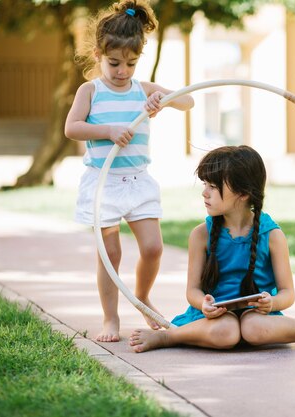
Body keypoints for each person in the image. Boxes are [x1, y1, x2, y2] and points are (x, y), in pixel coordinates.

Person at [129, 146, 295, 352]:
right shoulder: (201, 234)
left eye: (213, 186)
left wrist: (271, 303)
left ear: (242, 194)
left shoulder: (272, 235)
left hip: (259, 317)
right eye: (205, 184)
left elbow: (287, 293)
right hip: (211, 319)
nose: (204, 192)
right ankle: (167, 336)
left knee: (253, 327)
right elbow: (192, 291)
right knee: (227, 330)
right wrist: (204, 303)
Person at [64, 0, 194, 342]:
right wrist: (107, 131)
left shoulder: (142, 89)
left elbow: (188, 101)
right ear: (98, 55)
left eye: (131, 63)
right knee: (111, 254)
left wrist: (161, 101)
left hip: (138, 182)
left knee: (153, 248)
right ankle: (110, 319)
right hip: (103, 183)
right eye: (114, 63)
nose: (122, 71)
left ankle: (143, 297)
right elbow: (72, 128)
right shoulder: (90, 90)